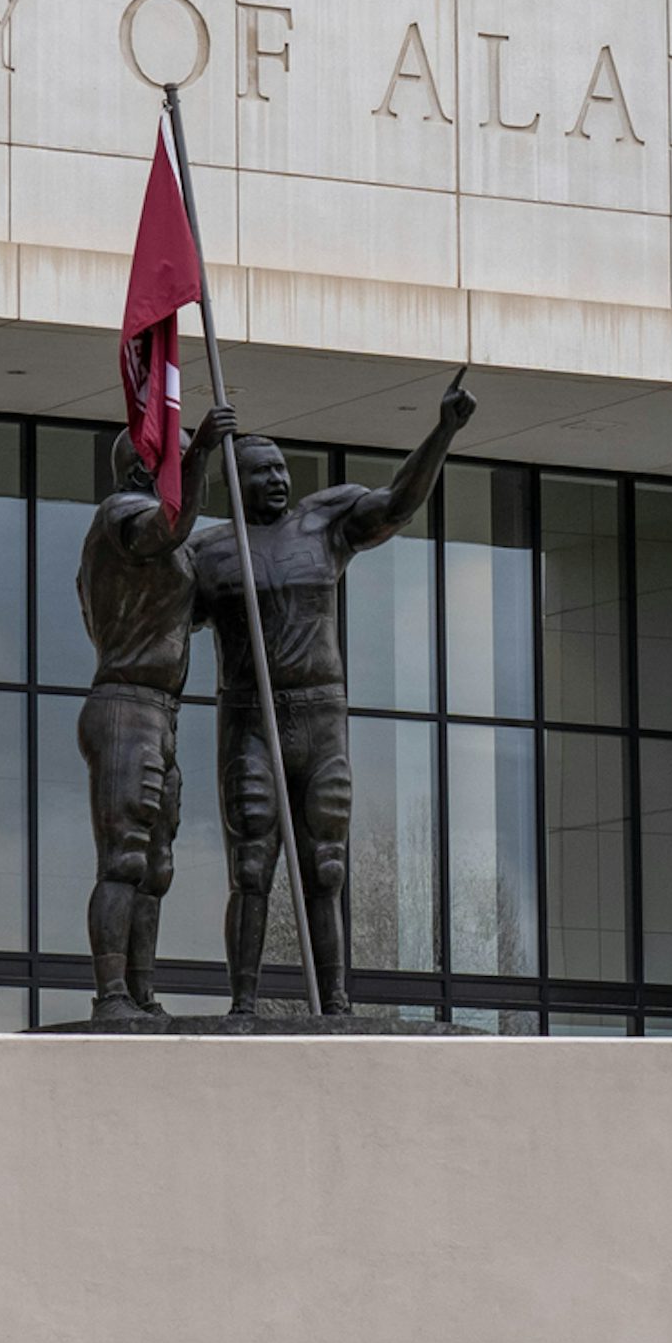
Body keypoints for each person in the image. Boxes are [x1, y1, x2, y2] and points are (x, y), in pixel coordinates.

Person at [185, 376, 477, 1013]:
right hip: (251, 719)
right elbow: (162, 618)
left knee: (328, 867)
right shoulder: (209, 553)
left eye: (283, 469)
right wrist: (194, 459)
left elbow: (399, 502)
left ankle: (337, 1000)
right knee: (253, 866)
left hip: (320, 716)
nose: (279, 480)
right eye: (262, 472)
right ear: (236, 483)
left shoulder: (322, 525)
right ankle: (243, 1003)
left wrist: (444, 431)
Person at [72, 405, 235, 1018]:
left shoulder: (172, 547)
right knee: (125, 857)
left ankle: (141, 992)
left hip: (160, 711)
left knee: (157, 867)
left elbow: (186, 601)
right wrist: (197, 460)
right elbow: (165, 528)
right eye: (173, 461)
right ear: (146, 468)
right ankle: (111, 994)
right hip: (125, 704)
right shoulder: (119, 517)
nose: (192, 475)